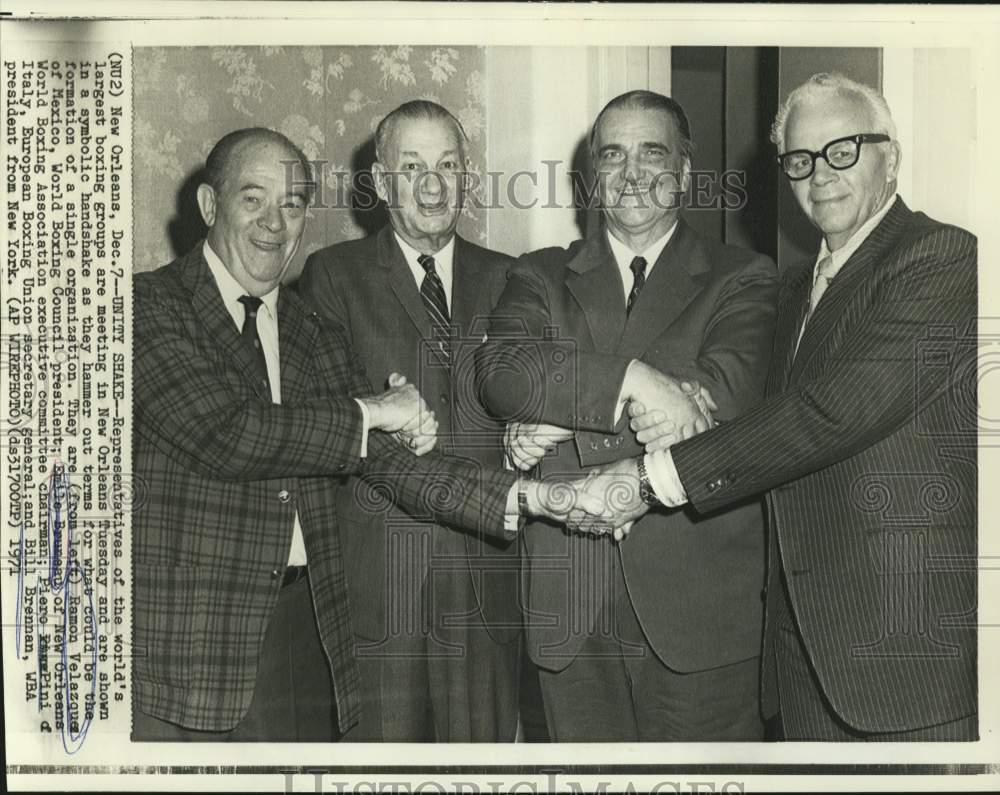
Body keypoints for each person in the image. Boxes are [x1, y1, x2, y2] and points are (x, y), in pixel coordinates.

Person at [132, 127, 603, 742]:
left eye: (293, 203)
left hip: (309, 636)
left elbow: (393, 465)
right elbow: (226, 432)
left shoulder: (310, 331)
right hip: (186, 652)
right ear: (208, 206)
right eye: (254, 199)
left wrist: (540, 499)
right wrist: (373, 410)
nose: (275, 223)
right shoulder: (145, 305)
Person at [603, 73, 978, 740]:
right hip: (803, 651)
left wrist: (650, 478)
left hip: (902, 659)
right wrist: (681, 398)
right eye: (800, 160)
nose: (820, 175)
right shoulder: (795, 285)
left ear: (890, 156)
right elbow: (756, 410)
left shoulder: (942, 259)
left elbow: (833, 410)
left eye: (844, 150)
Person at [476, 90, 780, 741]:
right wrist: (637, 381)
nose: (633, 172)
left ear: (686, 173)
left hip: (700, 616)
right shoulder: (539, 274)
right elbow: (503, 374)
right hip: (570, 612)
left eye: (652, 153)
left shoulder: (745, 276)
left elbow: (724, 400)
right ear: (590, 176)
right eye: (613, 154)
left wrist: (558, 420)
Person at [298, 101, 520, 742]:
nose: (431, 184)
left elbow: (532, 389)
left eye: (447, 165)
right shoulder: (333, 276)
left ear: (467, 176)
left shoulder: (509, 276)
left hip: (486, 575)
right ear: (380, 182)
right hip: (381, 580)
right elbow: (328, 417)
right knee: (380, 766)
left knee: (483, 769)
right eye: (413, 166)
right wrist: (383, 415)